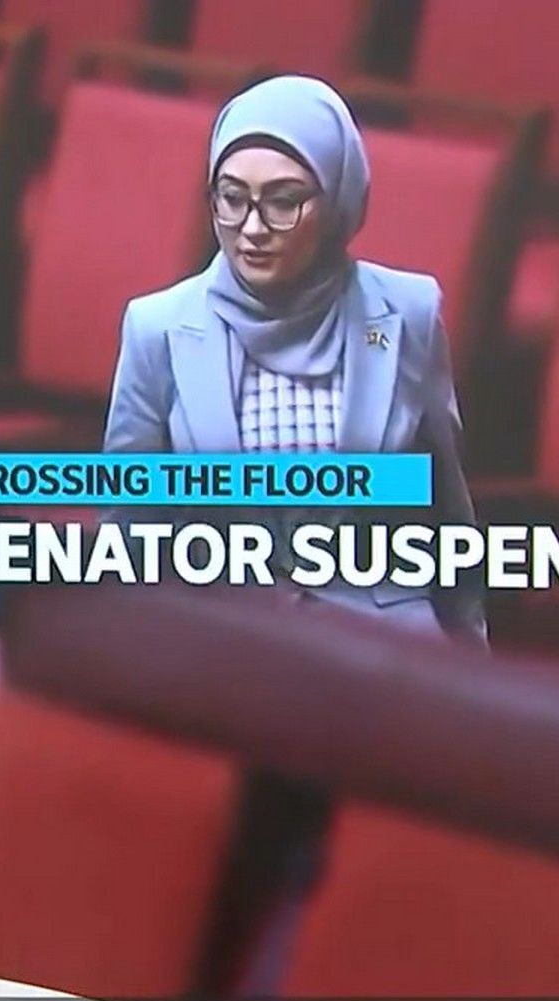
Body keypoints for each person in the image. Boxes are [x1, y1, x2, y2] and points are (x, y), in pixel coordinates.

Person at [104, 75, 485, 643]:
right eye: (231, 199)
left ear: (337, 202)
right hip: (222, 638)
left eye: (283, 202)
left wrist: (469, 662)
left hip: (382, 642)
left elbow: (449, 515)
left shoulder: (407, 314)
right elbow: (129, 532)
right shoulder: (157, 328)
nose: (252, 229)